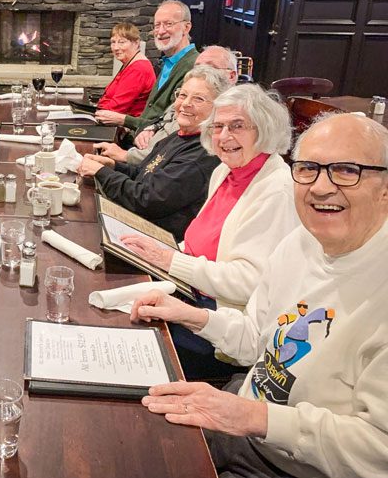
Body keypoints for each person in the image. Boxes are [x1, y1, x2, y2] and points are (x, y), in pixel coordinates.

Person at [131, 113, 388, 478]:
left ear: (385, 187)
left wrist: (256, 417)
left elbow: (379, 450)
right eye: (309, 168)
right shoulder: (301, 242)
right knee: (128, 427)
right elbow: (258, 338)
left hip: (293, 466)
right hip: (246, 418)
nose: (321, 187)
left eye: (347, 171)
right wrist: (190, 315)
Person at [121, 84, 298, 379]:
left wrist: (169, 260)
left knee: (130, 342)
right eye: (218, 126)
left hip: (223, 326)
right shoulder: (225, 171)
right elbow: (194, 244)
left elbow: (248, 283)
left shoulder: (276, 191)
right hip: (187, 290)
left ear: (265, 129)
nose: (224, 137)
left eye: (237, 126)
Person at [78, 65, 230, 240]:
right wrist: (112, 166)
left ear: (218, 108)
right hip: (137, 221)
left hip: (155, 238)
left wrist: (101, 173)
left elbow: (145, 200)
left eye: (199, 99)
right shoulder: (180, 135)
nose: (186, 104)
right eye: (182, 95)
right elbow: (144, 172)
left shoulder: (202, 153)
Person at [95, 45, 239, 166]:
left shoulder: (217, 114)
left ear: (231, 76)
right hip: (141, 157)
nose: (201, 73)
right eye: (198, 67)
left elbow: (162, 164)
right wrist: (152, 127)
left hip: (147, 164)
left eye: (210, 67)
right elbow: (165, 116)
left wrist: (124, 156)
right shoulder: (187, 98)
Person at [96, 0, 198, 137]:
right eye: (157, 25)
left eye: (169, 24)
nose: (161, 31)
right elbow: (152, 114)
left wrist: (124, 120)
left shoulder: (194, 66)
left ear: (186, 27)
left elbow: (173, 122)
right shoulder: (167, 62)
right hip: (137, 135)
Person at [92, 22, 155, 120]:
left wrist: (91, 114)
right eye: (113, 42)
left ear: (136, 43)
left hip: (126, 128)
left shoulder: (138, 68)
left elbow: (117, 108)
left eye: (122, 42)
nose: (116, 48)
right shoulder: (130, 63)